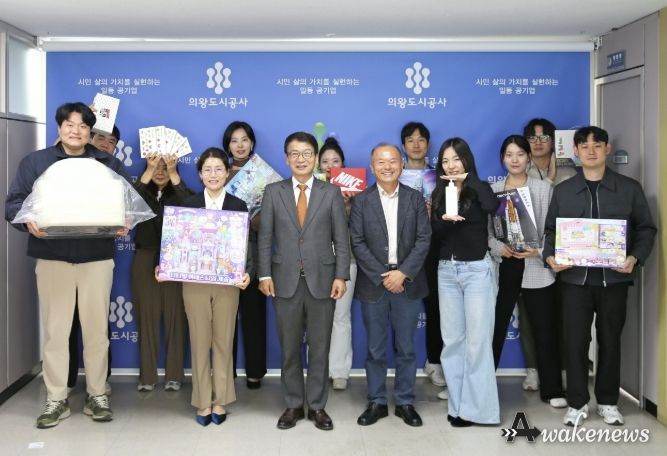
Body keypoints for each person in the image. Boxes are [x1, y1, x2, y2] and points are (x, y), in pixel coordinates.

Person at [5, 102, 131, 428]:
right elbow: (13, 204)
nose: (76, 131)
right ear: (59, 127)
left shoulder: (108, 163)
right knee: (56, 332)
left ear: (91, 131)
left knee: (97, 331)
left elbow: (127, 204)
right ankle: (56, 398)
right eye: (69, 124)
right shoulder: (36, 163)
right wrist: (27, 220)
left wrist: (126, 218)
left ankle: (98, 394)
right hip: (52, 257)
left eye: (83, 126)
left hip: (96, 257)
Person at [543, 126, 656, 426]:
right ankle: (577, 403)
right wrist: (550, 256)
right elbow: (551, 231)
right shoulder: (563, 191)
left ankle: (608, 402)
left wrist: (634, 257)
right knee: (574, 343)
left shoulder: (629, 188)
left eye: (597, 145)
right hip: (574, 281)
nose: (591, 151)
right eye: (584, 146)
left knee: (610, 341)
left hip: (613, 281)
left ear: (607, 149)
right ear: (575, 151)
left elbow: (646, 229)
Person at [258, 132, 350, 431]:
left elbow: (341, 238)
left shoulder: (330, 192)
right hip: (283, 280)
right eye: (294, 154)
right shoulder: (273, 192)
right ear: (286, 159)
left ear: (315, 158)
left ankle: (318, 406)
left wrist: (341, 275)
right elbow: (265, 237)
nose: (301, 159)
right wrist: (264, 274)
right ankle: (294, 404)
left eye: (307, 153)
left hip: (323, 280)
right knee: (289, 348)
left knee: (320, 348)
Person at [158, 147, 251, 426]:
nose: (213, 174)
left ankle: (220, 400)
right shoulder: (188, 204)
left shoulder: (238, 205)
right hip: (194, 282)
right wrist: (163, 265)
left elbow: (248, 245)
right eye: (207, 170)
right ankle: (202, 401)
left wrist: (248, 272)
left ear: (227, 172)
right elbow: (172, 240)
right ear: (200, 174)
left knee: (223, 340)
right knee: (199, 342)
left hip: (227, 282)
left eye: (218, 169)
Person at [350, 143, 431, 427]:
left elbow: (424, 239)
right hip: (374, 284)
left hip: (407, 283)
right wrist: (383, 276)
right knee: (375, 348)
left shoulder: (415, 199)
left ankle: (405, 401)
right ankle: (377, 401)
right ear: (372, 167)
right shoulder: (361, 201)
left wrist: (403, 273)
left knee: (406, 347)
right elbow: (357, 242)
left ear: (402, 165)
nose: (387, 167)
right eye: (381, 162)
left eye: (393, 161)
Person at [488, 135, 566, 408]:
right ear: (502, 159)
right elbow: (486, 233)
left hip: (536, 266)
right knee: (494, 329)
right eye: (509, 155)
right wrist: (499, 248)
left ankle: (552, 389)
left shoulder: (544, 189)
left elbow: (553, 229)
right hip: (505, 265)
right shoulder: (493, 190)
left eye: (520, 154)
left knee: (545, 329)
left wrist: (539, 250)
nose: (515, 159)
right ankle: (482, 388)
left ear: (529, 158)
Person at [431, 137, 500, 427]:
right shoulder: (439, 192)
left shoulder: (479, 187)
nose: (451, 165)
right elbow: (436, 232)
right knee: (452, 342)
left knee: (478, 342)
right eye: (445, 160)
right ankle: (458, 405)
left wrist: (466, 182)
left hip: (476, 271)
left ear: (466, 160)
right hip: (447, 271)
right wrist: (446, 215)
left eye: (456, 159)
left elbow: (492, 205)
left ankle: (478, 410)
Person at [67, 124, 121, 395]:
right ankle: (65, 382)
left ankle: (99, 384)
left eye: (112, 142)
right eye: (101, 137)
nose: (105, 144)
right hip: (61, 254)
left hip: (98, 255)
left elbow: (127, 208)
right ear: (89, 137)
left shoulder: (114, 172)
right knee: (63, 324)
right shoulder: (67, 166)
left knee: (98, 325)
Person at [133, 153, 192, 392]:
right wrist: (148, 172)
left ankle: (174, 375)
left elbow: (193, 206)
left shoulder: (180, 192)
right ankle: (147, 376)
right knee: (146, 317)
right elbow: (128, 203)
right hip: (145, 256)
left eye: (165, 167)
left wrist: (174, 173)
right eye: (155, 167)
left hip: (176, 258)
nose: (160, 172)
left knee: (176, 316)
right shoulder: (141, 191)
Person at [400, 122, 446, 393]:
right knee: (400, 310)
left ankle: (435, 361)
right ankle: (400, 365)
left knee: (436, 307)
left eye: (421, 140)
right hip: (401, 251)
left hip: (432, 249)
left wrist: (434, 213)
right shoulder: (394, 174)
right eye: (410, 140)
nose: (416, 145)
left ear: (428, 144)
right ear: (403, 145)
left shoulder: (439, 177)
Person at [222, 121, 267, 390]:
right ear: (227, 145)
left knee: (254, 314)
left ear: (252, 143)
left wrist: (251, 218)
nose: (239, 145)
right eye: (234, 140)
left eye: (244, 140)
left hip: (254, 252)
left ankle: (255, 372)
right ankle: (225, 372)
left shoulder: (263, 175)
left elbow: (270, 219)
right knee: (224, 317)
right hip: (224, 253)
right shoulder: (219, 171)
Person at [318, 137, 356, 391]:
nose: (330, 166)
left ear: (343, 164)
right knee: (317, 318)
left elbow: (360, 229)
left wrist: (348, 205)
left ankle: (339, 370)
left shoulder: (355, 192)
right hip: (316, 262)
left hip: (346, 261)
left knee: (341, 316)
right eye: (325, 161)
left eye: (336, 161)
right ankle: (318, 370)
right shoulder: (309, 190)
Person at [524, 118, 577, 185]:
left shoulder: (568, 172)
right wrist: (550, 178)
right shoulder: (520, 170)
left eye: (544, 137)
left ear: (553, 142)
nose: (538, 142)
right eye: (532, 138)